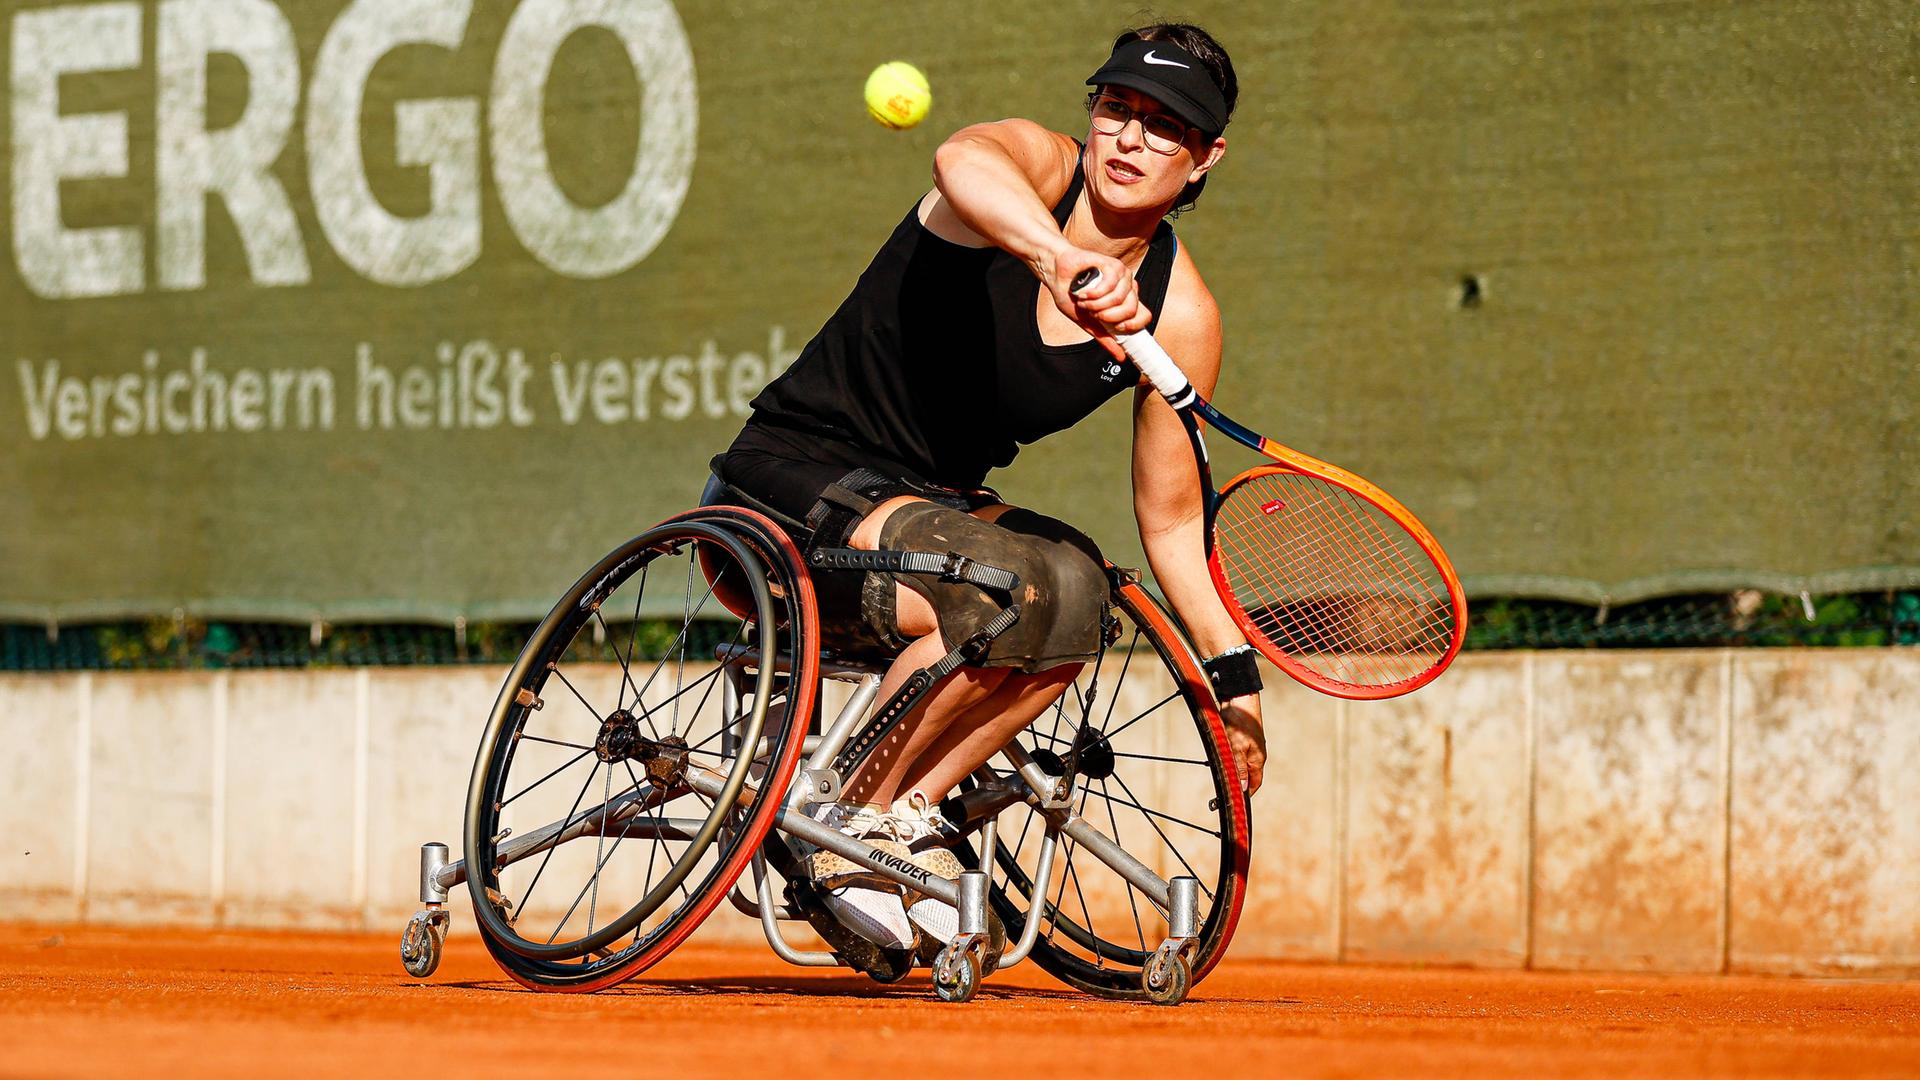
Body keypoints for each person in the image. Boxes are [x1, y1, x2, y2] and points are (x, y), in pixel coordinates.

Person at [707, 23, 1267, 955]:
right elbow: (961, 155)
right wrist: (1061, 262)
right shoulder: (1030, 171)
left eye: (1166, 127)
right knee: (1002, 583)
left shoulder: (1181, 313)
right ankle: (846, 823)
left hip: (927, 513)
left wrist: (1235, 683)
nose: (1129, 139)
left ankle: (898, 813)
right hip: (781, 484)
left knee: (1081, 589)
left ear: (1207, 158)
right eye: (1117, 108)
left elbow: (1172, 525)